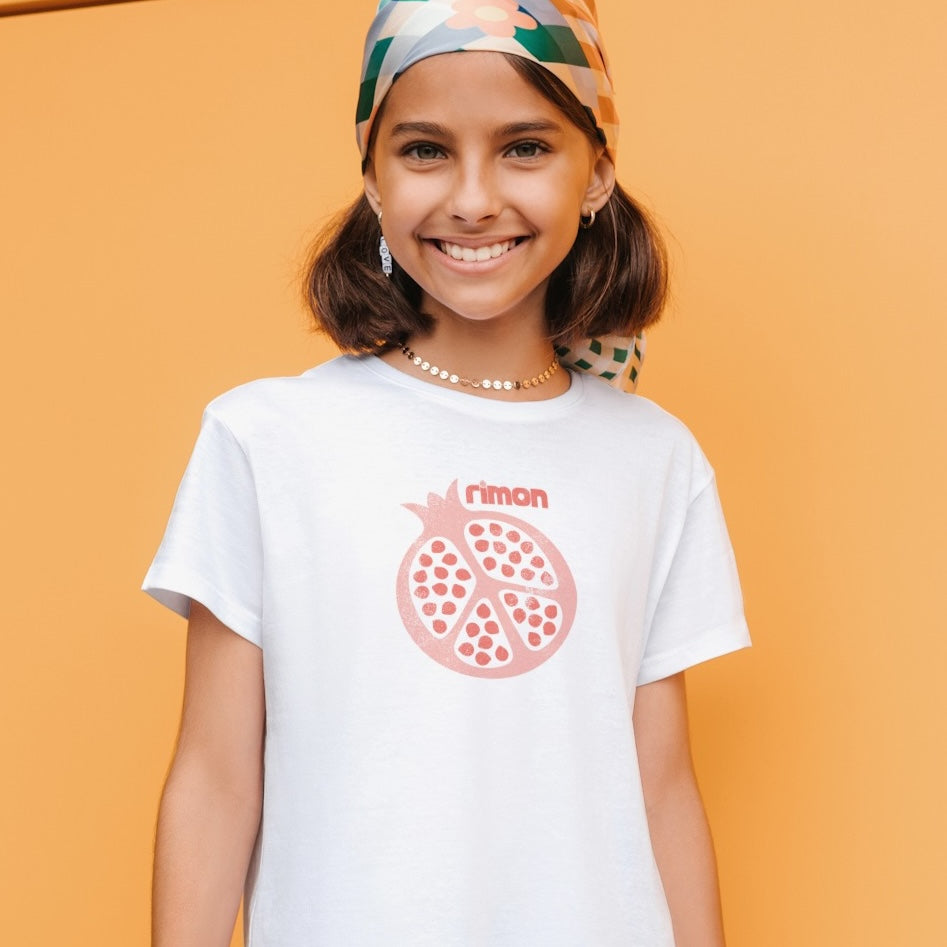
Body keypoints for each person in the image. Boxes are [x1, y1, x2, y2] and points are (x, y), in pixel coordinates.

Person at [144, 1, 751, 944]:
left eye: (525, 148)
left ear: (596, 173)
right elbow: (218, 780)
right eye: (424, 149)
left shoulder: (654, 457)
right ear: (374, 180)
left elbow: (661, 784)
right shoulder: (266, 438)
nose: (472, 198)